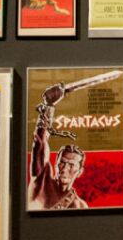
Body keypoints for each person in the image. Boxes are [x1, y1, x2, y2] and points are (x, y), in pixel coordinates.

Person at [28, 82, 88, 210]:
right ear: (56, 163)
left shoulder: (80, 205)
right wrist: (48, 106)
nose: (64, 168)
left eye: (71, 165)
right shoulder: (42, 180)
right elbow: (39, 142)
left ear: (79, 171)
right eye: (62, 162)